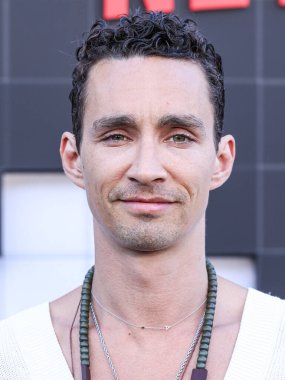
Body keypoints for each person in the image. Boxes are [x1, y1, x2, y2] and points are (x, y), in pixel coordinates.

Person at [0, 11, 284, 380]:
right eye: (117, 135)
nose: (147, 169)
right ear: (74, 159)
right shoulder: (11, 356)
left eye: (179, 136)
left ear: (221, 160)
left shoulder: (278, 344)